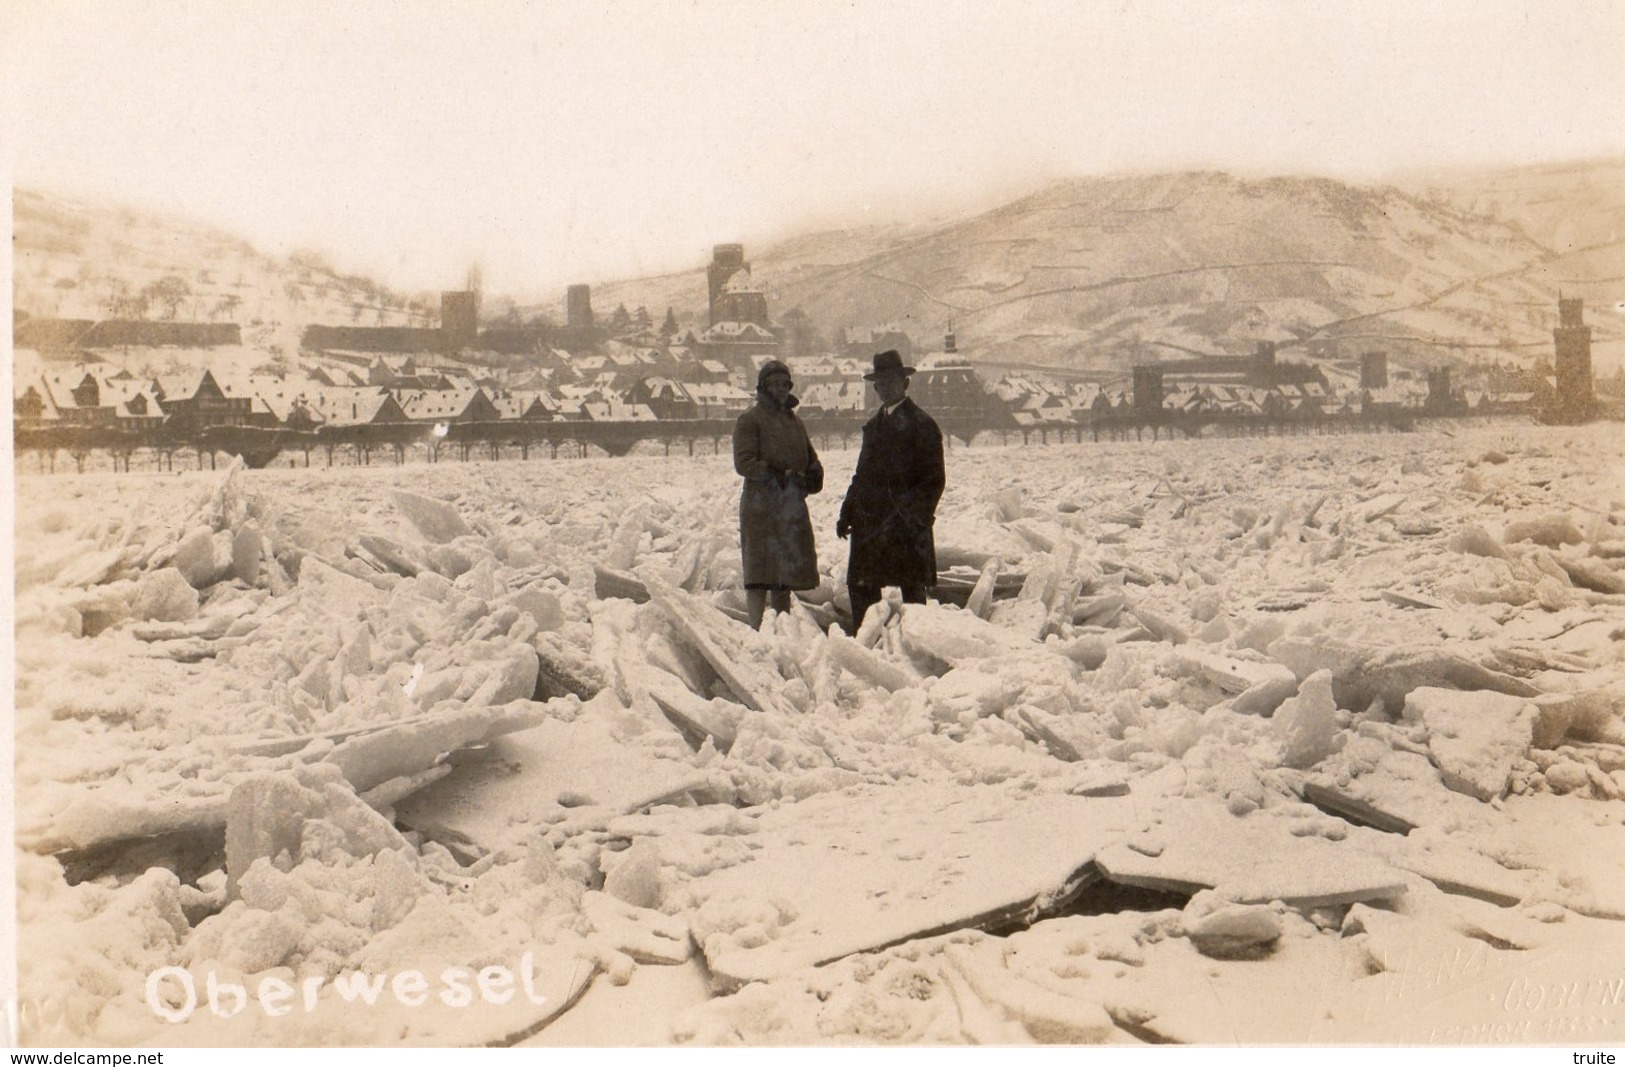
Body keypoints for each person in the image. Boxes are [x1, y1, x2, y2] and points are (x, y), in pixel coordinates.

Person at [836, 349, 945, 633]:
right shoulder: (873, 427)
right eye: (880, 383)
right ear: (874, 388)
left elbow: (934, 480)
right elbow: (862, 476)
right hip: (870, 521)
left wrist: (914, 517)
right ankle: (867, 644)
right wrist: (847, 510)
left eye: (892, 381)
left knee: (912, 591)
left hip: (905, 524)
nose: (886, 387)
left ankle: (919, 644)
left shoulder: (923, 425)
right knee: (861, 584)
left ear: (905, 383)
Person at [733, 359, 824, 629]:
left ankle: (783, 629)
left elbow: (810, 458)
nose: (780, 389)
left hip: (790, 507)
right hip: (760, 507)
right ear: (763, 387)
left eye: (785, 384)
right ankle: (758, 630)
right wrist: (776, 474)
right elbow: (744, 462)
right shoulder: (749, 419)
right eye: (774, 384)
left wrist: (813, 474)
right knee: (760, 574)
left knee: (785, 576)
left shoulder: (795, 422)